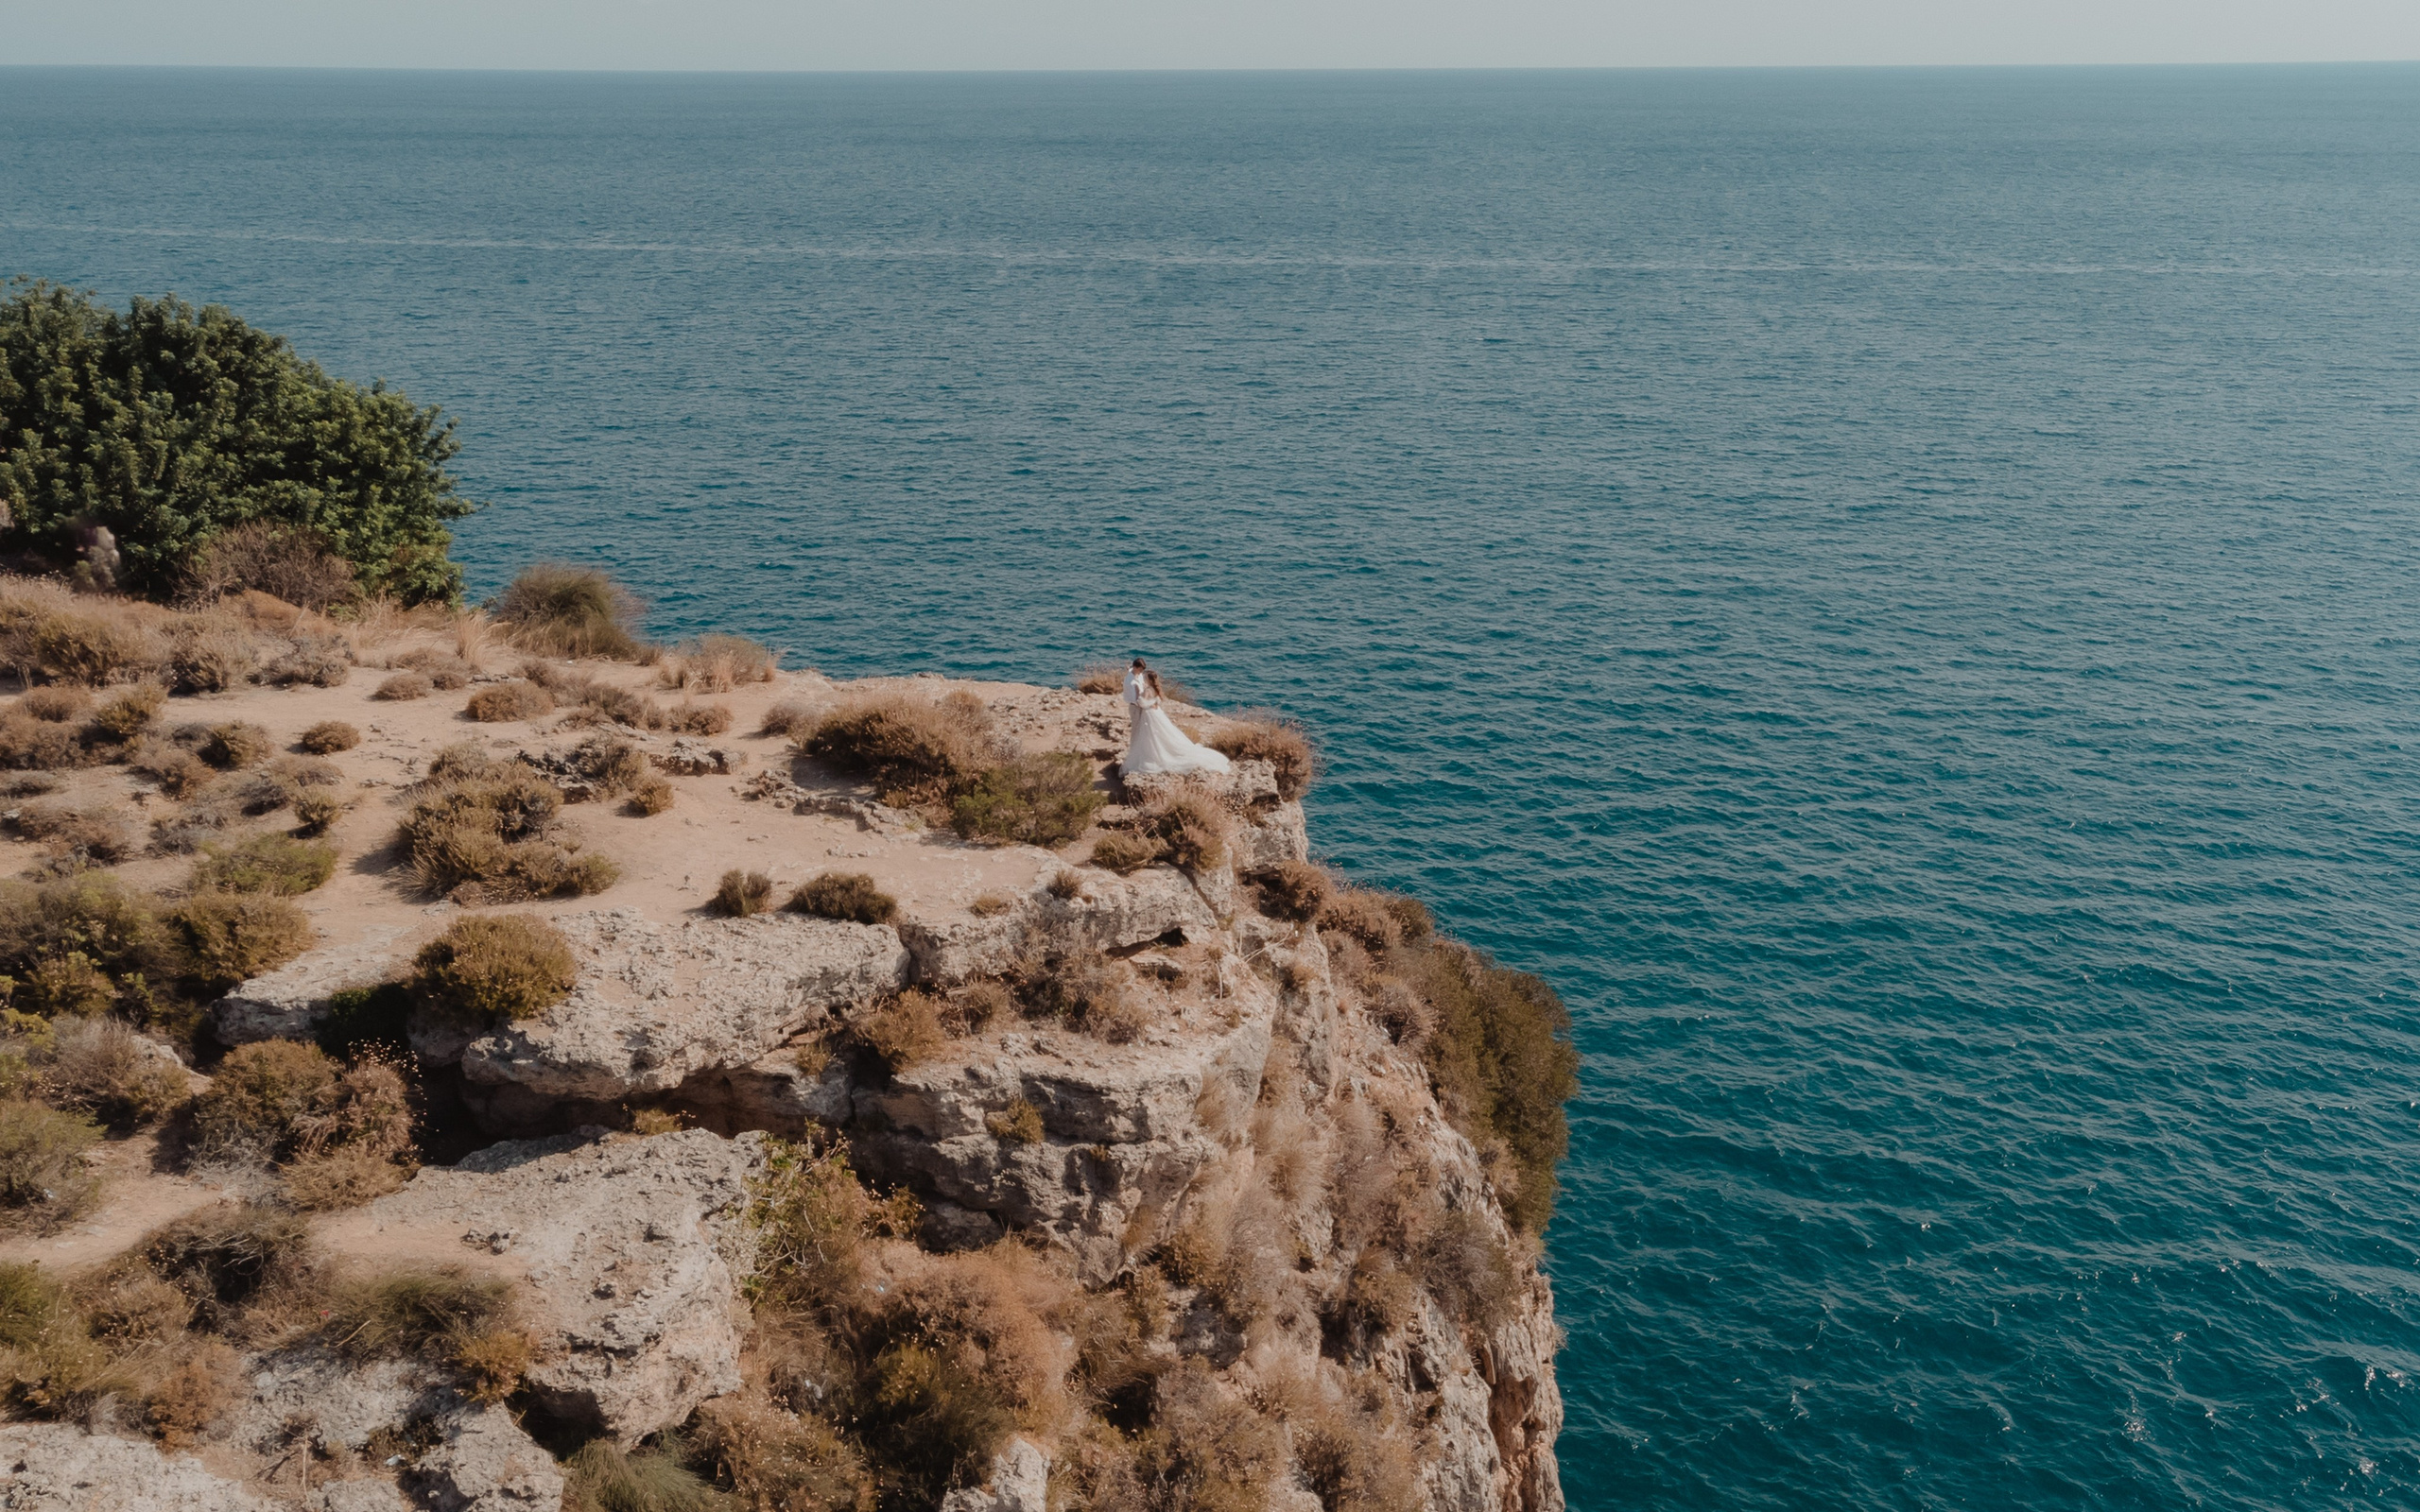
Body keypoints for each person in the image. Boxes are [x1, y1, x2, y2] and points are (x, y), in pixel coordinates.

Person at [1120, 658, 1232, 778]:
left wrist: (1146, 700)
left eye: (1145, 676)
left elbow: (1141, 703)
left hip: (1148, 714)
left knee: (1149, 735)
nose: (1142, 676)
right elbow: (1153, 698)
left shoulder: (1146, 689)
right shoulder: (1153, 689)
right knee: (1159, 734)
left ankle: (1148, 755)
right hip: (1155, 713)